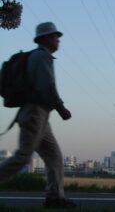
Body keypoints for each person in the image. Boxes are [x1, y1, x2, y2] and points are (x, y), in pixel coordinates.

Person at [0, 22, 76, 208]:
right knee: (24, 156)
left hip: (39, 114)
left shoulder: (41, 57)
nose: (58, 39)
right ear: (45, 38)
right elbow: (46, 87)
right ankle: (54, 197)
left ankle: (54, 198)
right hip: (35, 113)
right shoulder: (41, 57)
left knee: (54, 156)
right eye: (54, 36)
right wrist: (61, 108)